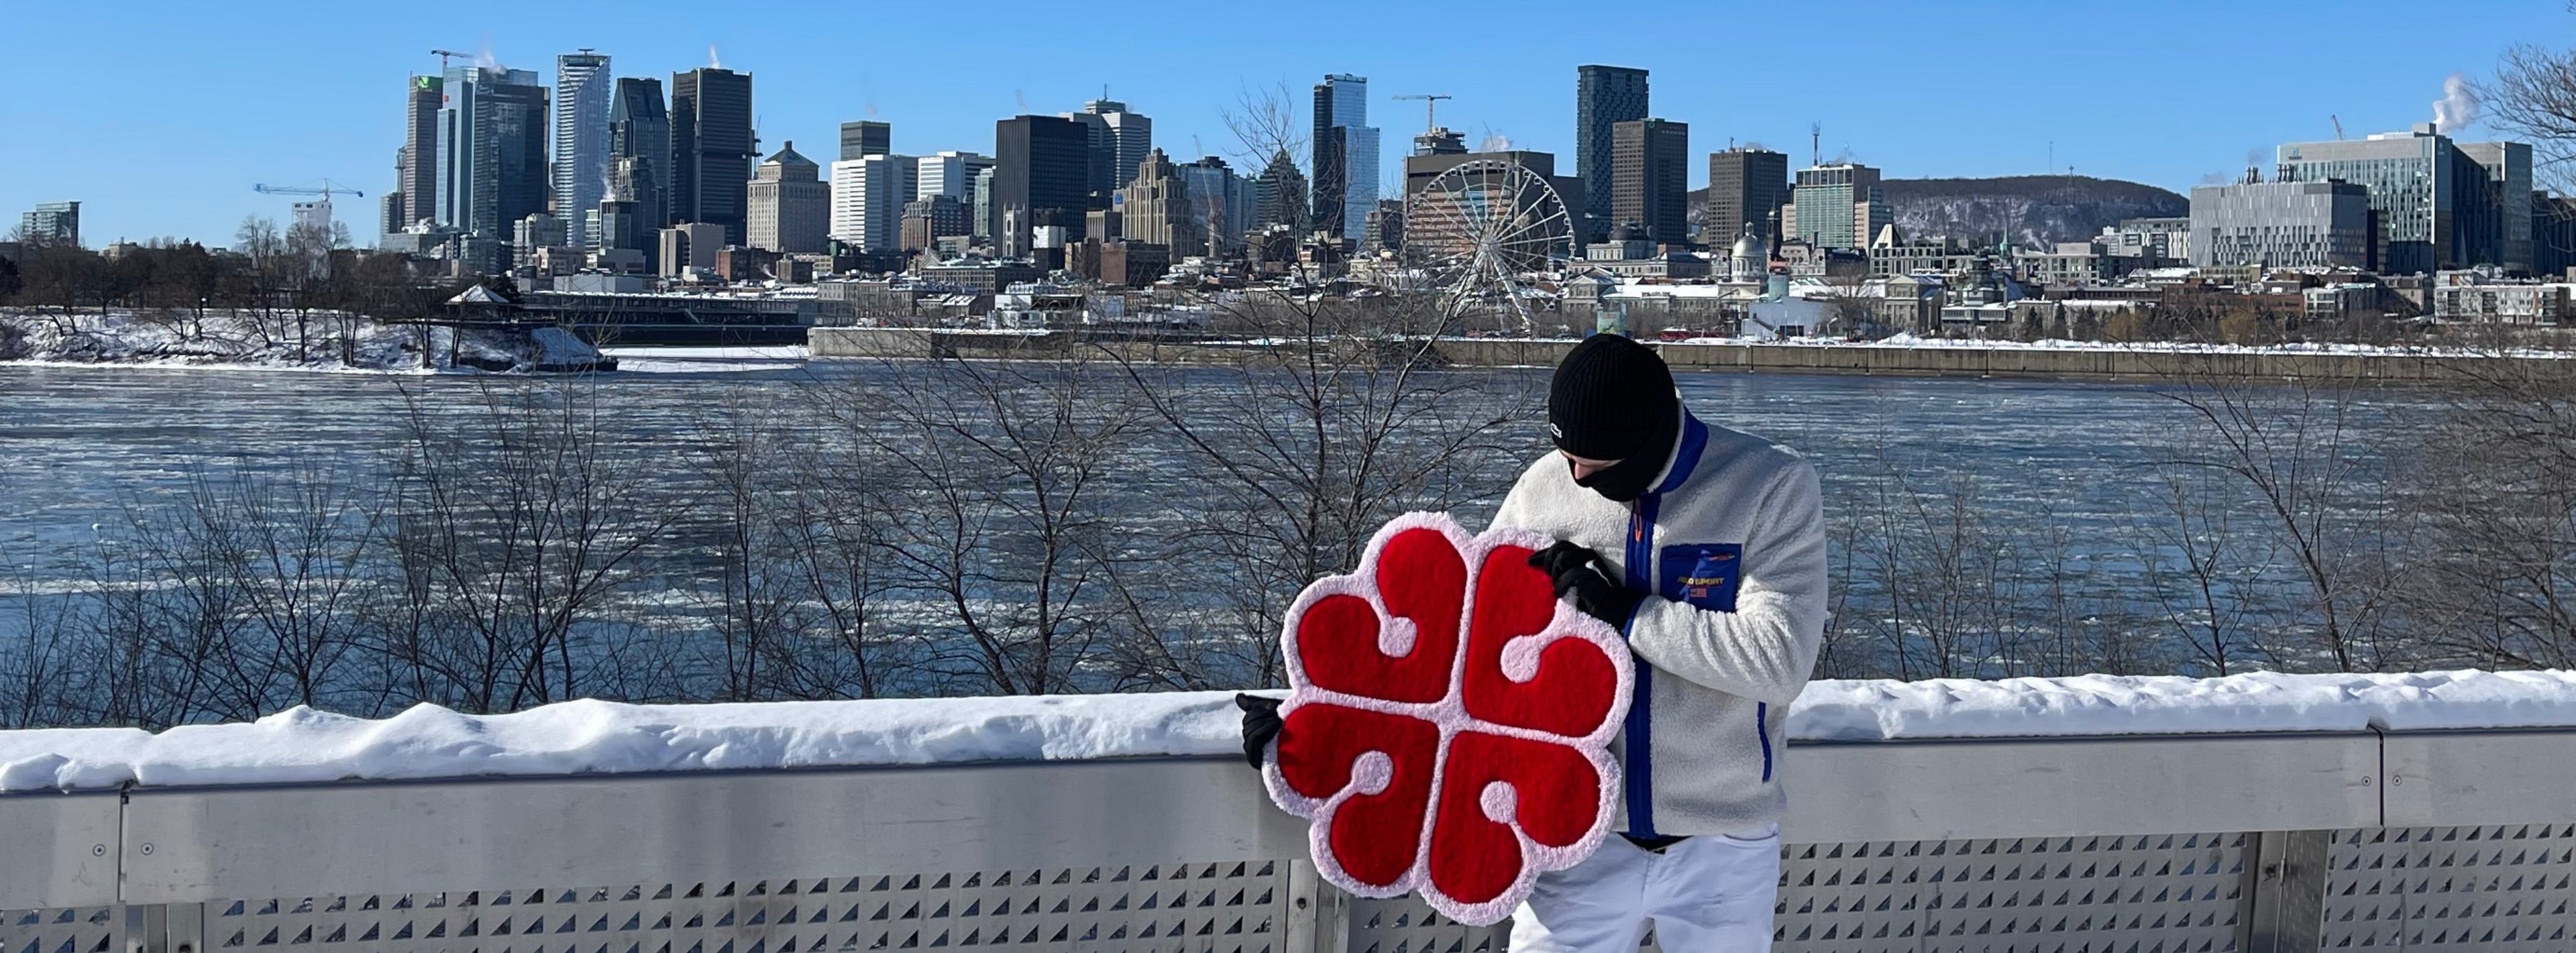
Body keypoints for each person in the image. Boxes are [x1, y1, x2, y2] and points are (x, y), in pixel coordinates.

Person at [1240, 333, 1827, 952]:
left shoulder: (1768, 489)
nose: (1575, 477)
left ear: (1650, 439)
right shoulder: (1546, 488)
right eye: (1567, 457)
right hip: (1580, 838)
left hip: (1724, 847)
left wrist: (1629, 613)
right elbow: (1456, 643)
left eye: (1595, 469)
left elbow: (1778, 659)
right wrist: (1319, 722)